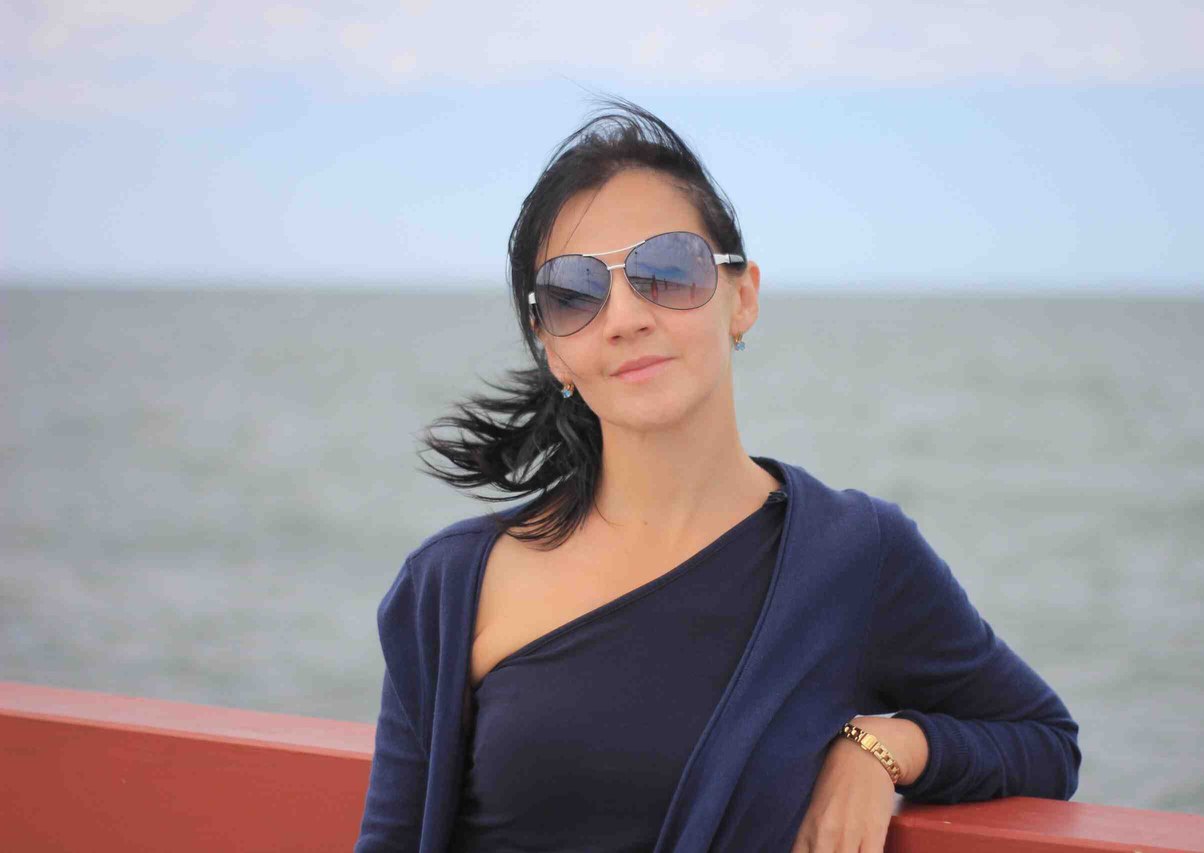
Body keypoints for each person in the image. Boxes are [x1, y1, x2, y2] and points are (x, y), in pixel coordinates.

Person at [354, 95, 1081, 853]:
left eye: (668, 271)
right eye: (575, 293)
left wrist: (883, 746)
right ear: (554, 350)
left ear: (742, 297)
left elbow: (1042, 740)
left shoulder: (849, 554)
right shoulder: (450, 586)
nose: (625, 316)